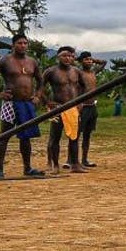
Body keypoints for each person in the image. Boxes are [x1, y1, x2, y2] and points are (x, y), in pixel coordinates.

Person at [0, 34, 44, 178]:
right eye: (20, 43)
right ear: (13, 45)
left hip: (27, 103)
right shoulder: (5, 60)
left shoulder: (32, 62)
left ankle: (27, 168)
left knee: (25, 137)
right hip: (11, 103)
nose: (23, 46)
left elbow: (40, 80)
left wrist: (37, 95)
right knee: (4, 136)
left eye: (25, 43)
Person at [42, 46, 88, 174]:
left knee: (74, 137)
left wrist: (81, 101)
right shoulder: (51, 72)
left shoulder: (76, 72)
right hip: (57, 107)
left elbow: (84, 87)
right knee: (55, 137)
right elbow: (40, 88)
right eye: (65, 55)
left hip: (73, 108)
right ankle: (55, 165)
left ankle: (75, 164)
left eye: (71, 56)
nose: (68, 58)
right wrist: (47, 102)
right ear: (58, 56)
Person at [77, 52, 101, 167]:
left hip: (92, 106)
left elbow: (104, 63)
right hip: (82, 107)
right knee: (75, 135)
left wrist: (94, 60)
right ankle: (71, 160)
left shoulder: (93, 72)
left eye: (90, 60)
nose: (90, 61)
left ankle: (84, 159)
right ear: (81, 61)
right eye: (86, 59)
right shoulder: (78, 73)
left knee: (87, 135)